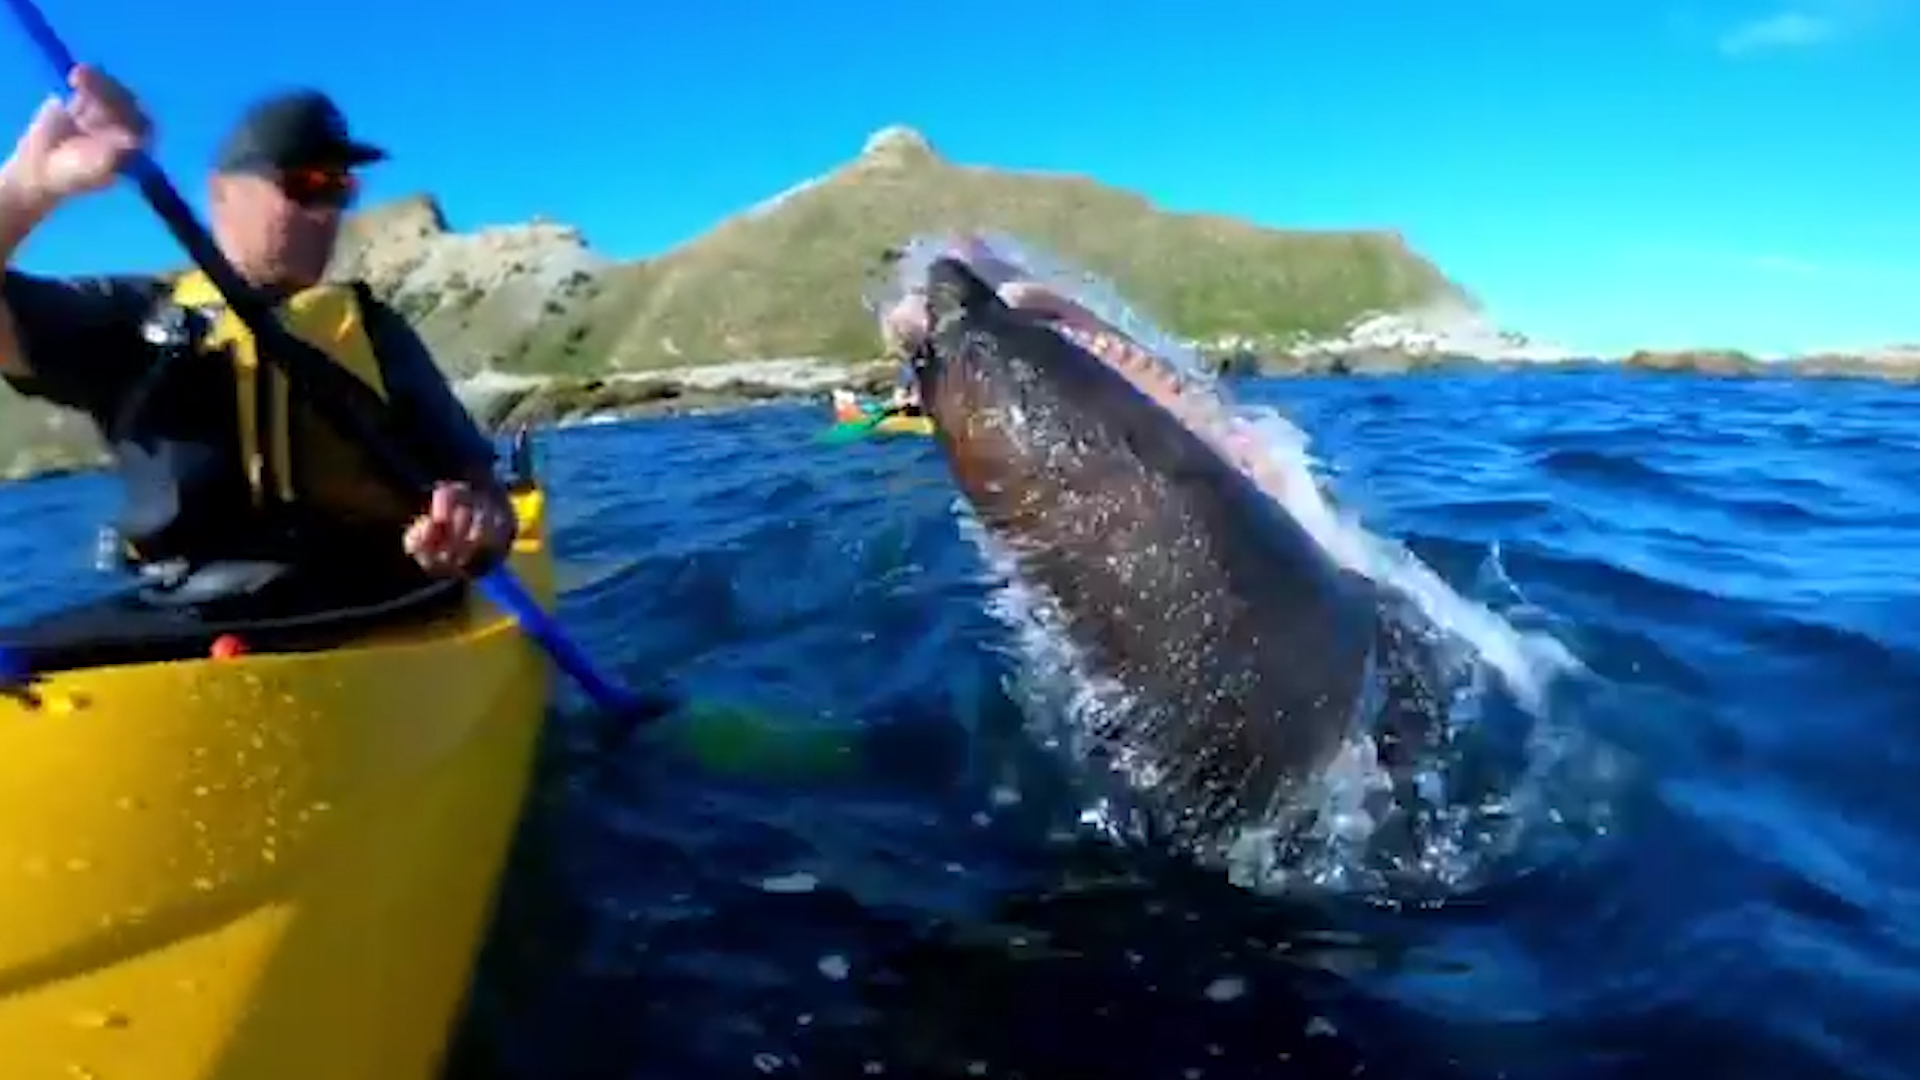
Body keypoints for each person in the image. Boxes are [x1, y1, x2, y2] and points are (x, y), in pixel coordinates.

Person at [0, 66, 517, 668]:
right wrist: (27, 188)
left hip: (375, 600)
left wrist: (477, 527)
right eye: (304, 183)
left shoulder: (373, 331)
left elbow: (488, 502)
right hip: (186, 617)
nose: (328, 210)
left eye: (340, 188)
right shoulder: (131, 321)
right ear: (220, 195)